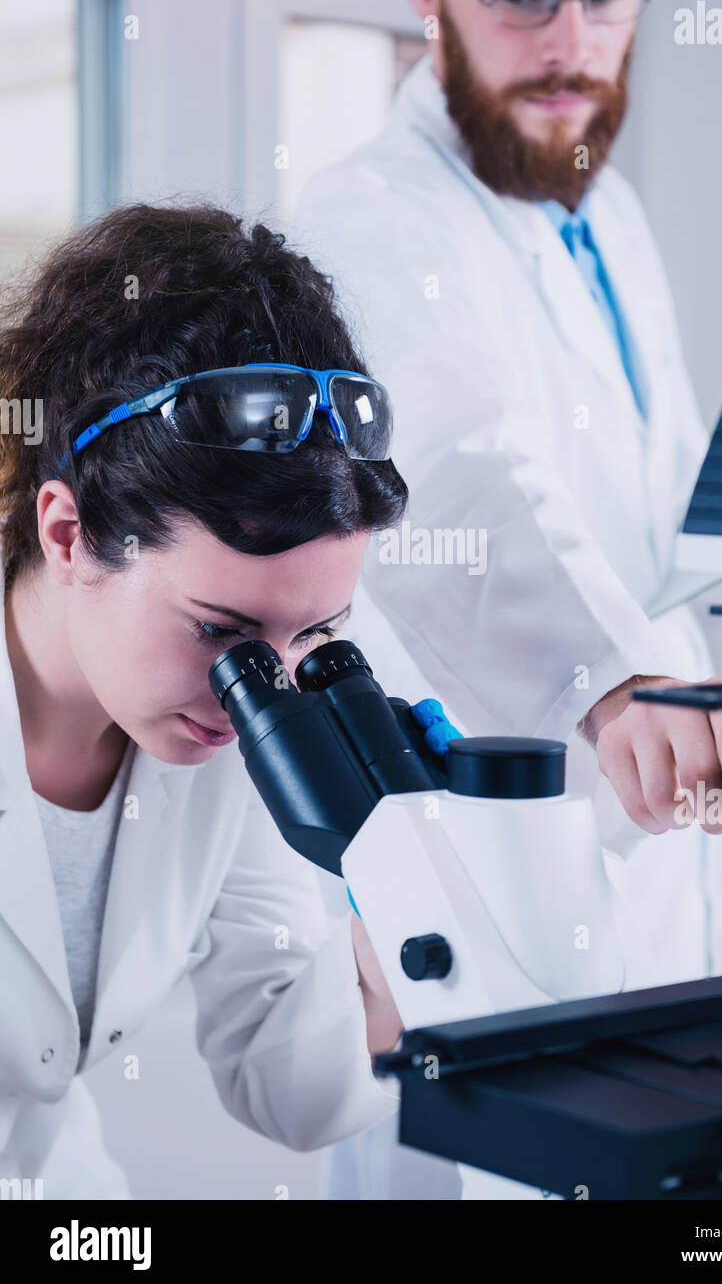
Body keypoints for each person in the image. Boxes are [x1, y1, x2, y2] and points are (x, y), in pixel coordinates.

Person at [292, 0, 722, 1198]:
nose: (572, 47)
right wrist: (608, 675)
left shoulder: (606, 218)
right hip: (497, 887)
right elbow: (459, 479)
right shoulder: (366, 213)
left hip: (649, 863)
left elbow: (666, 525)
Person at [0, 202, 420, 1197]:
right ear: (66, 534)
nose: (254, 694)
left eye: (312, 638)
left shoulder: (210, 738)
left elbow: (290, 1082)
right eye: (220, 633)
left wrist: (413, 902)